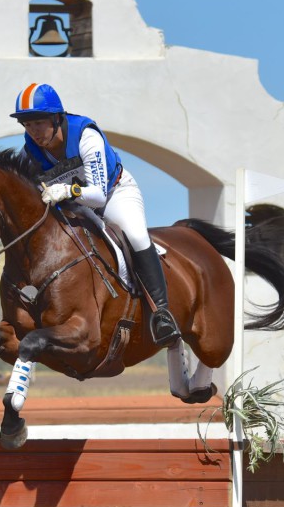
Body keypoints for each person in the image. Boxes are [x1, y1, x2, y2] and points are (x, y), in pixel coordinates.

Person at [10, 82, 180, 348]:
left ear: (57, 118)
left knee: (134, 235)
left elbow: (98, 196)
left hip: (114, 195)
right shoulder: (30, 151)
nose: (33, 132)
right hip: (75, 205)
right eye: (27, 125)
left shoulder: (86, 136)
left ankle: (162, 314)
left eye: (39, 123)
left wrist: (66, 190)